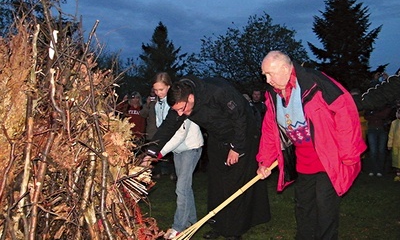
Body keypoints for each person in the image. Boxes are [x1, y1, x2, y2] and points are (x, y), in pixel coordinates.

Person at [256, 51, 366, 240]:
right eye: (264, 75)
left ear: (285, 68)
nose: (267, 80)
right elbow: (269, 129)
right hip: (304, 162)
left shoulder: (314, 82)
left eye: (269, 74)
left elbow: (346, 112)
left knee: (325, 207)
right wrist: (265, 160)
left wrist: (349, 154)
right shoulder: (273, 96)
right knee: (304, 206)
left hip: (328, 159)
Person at [144, 75, 271, 240]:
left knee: (235, 183)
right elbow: (167, 128)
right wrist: (150, 154)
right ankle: (218, 225)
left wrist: (236, 147)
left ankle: (233, 230)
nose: (182, 114)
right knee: (217, 183)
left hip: (242, 136)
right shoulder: (181, 102)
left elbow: (241, 117)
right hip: (218, 138)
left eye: (183, 108)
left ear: (191, 97)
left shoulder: (218, 92)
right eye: (178, 111)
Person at [364, 105, 391, 177]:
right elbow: (366, 116)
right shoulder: (370, 105)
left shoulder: (384, 105)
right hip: (372, 129)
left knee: (381, 150)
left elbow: (385, 115)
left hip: (382, 129)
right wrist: (376, 115)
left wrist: (373, 114)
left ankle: (380, 170)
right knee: (373, 150)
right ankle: (373, 169)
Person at [387, 108, 400, 181]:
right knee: (396, 161)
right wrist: (390, 144)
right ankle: (398, 175)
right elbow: (391, 134)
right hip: (396, 145)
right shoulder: (394, 123)